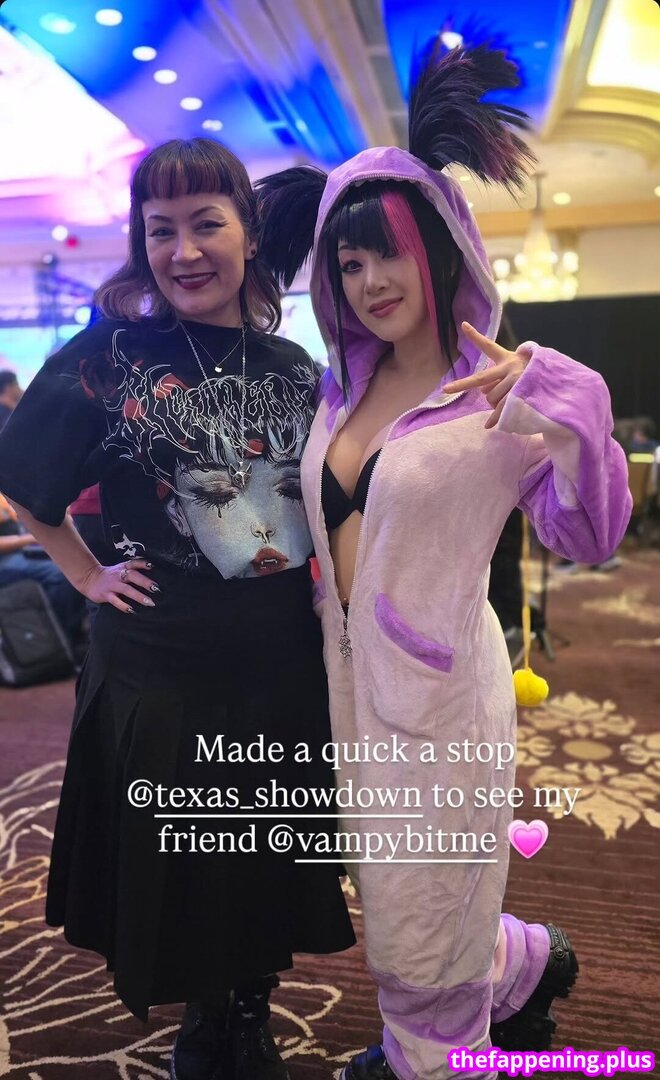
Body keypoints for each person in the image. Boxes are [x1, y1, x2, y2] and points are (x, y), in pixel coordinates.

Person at [256, 42, 632, 1080]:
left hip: (443, 699)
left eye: (389, 253)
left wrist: (568, 411)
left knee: (421, 919)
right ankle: (523, 964)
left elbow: (590, 537)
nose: (370, 281)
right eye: (348, 262)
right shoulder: (339, 389)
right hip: (345, 687)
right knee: (394, 891)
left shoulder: (501, 393)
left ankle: (438, 1057)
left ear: (441, 247)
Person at [0, 137, 355, 1080]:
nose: (184, 251)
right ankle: (206, 1011)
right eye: (161, 230)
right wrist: (84, 575)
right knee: (185, 846)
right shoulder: (109, 356)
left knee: (261, 838)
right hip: (158, 655)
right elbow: (26, 480)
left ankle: (251, 1003)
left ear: (248, 233)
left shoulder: (295, 367)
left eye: (206, 224)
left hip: (277, 653)